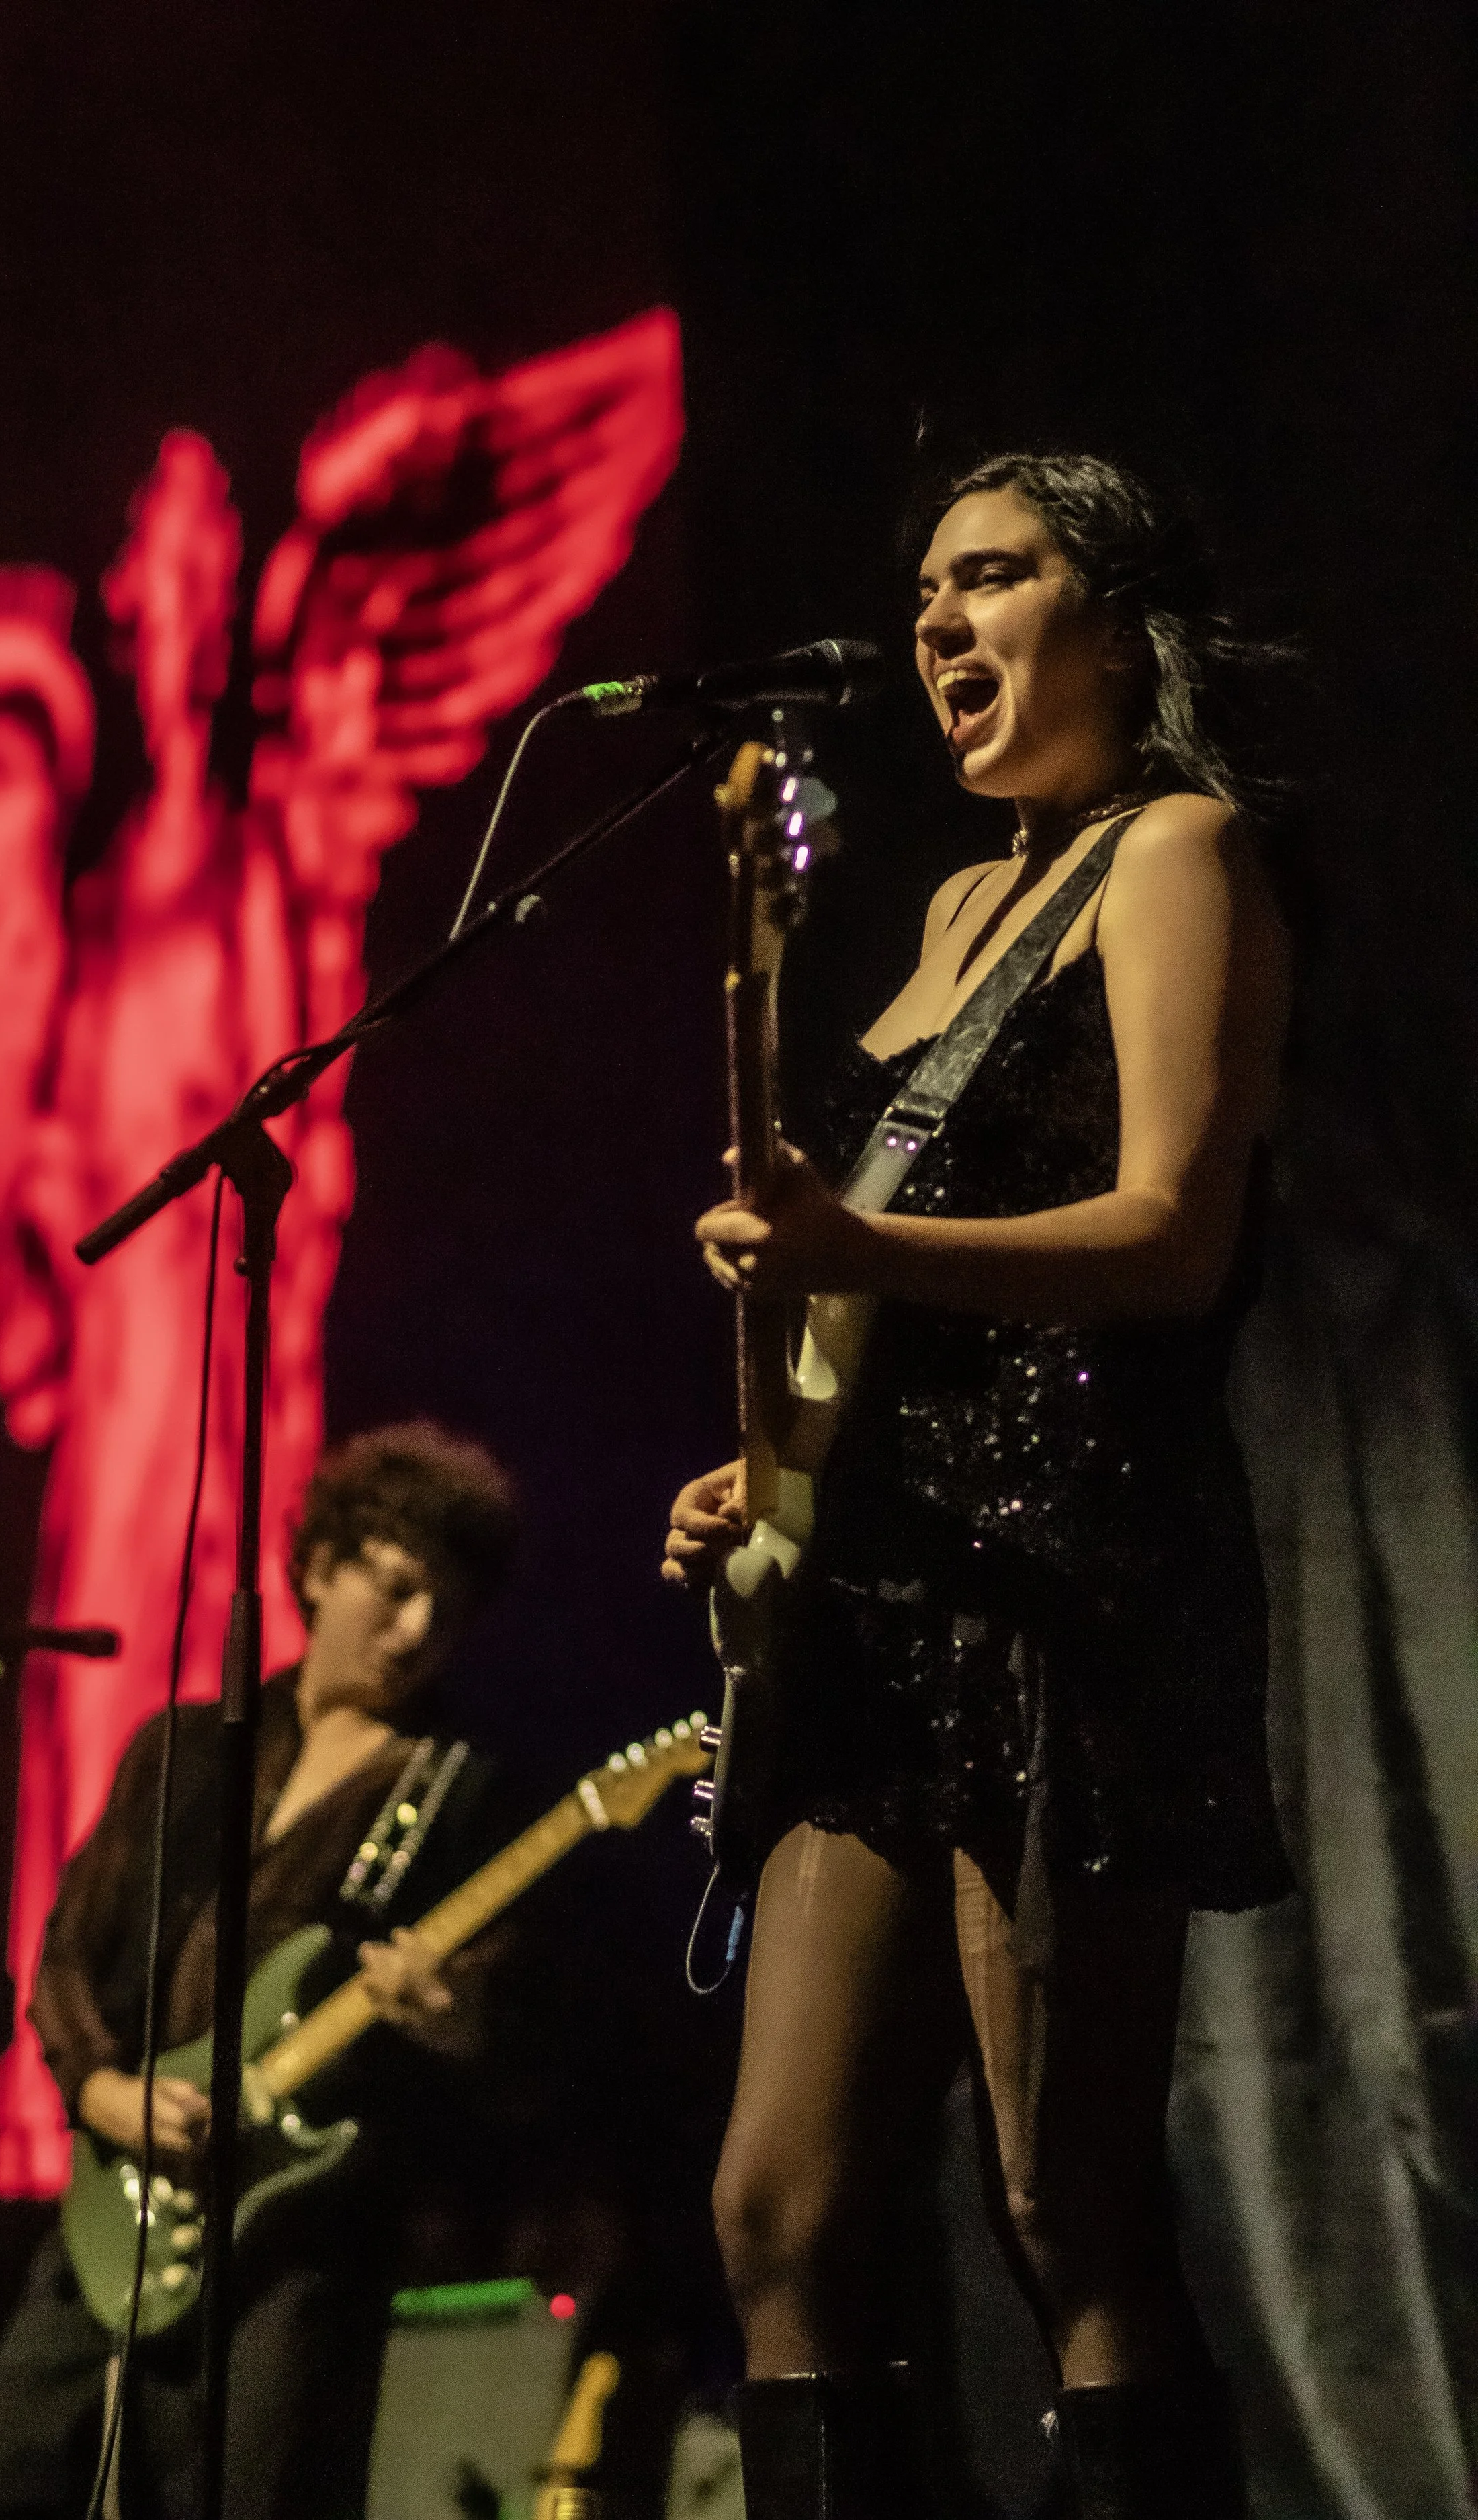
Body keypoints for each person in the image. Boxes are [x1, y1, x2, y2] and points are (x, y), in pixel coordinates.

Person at [664, 452, 1295, 2520]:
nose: (936, 621)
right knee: (777, 2197)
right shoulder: (948, 902)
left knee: (1061, 2197)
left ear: (1112, 617)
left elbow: (1171, 1233)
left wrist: (848, 1248)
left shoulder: (1171, 848)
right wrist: (759, 1465)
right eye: (923, 584)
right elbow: (876, 1301)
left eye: (993, 577)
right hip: (877, 1578)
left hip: (1067, 1574)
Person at [0, 1420, 521, 2520]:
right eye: (395, 1588)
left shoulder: (461, 1794)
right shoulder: (187, 1745)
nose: (414, 1631)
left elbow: (524, 2036)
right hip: (117, 2196)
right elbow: (71, 1945)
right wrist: (102, 2088)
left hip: (298, 2242)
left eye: (444, 1612)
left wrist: (454, 2022)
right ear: (318, 1564)